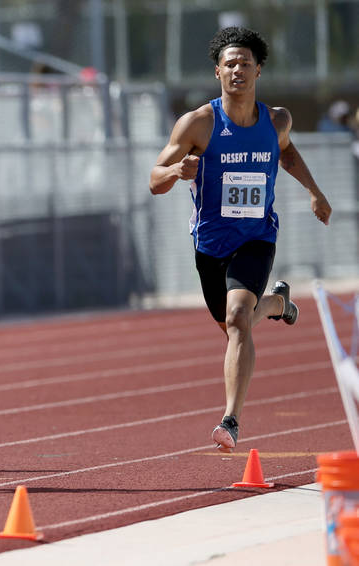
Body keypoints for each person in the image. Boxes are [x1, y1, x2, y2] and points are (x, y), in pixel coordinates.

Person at [149, 27, 332, 453]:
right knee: (235, 324)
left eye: (245, 63)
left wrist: (314, 191)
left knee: (236, 320)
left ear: (258, 71)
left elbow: (285, 151)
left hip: (257, 236)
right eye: (229, 64)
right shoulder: (198, 123)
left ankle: (230, 420)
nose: (237, 70)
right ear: (218, 72)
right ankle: (278, 303)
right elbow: (154, 179)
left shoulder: (275, 120)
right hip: (211, 245)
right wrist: (177, 172)